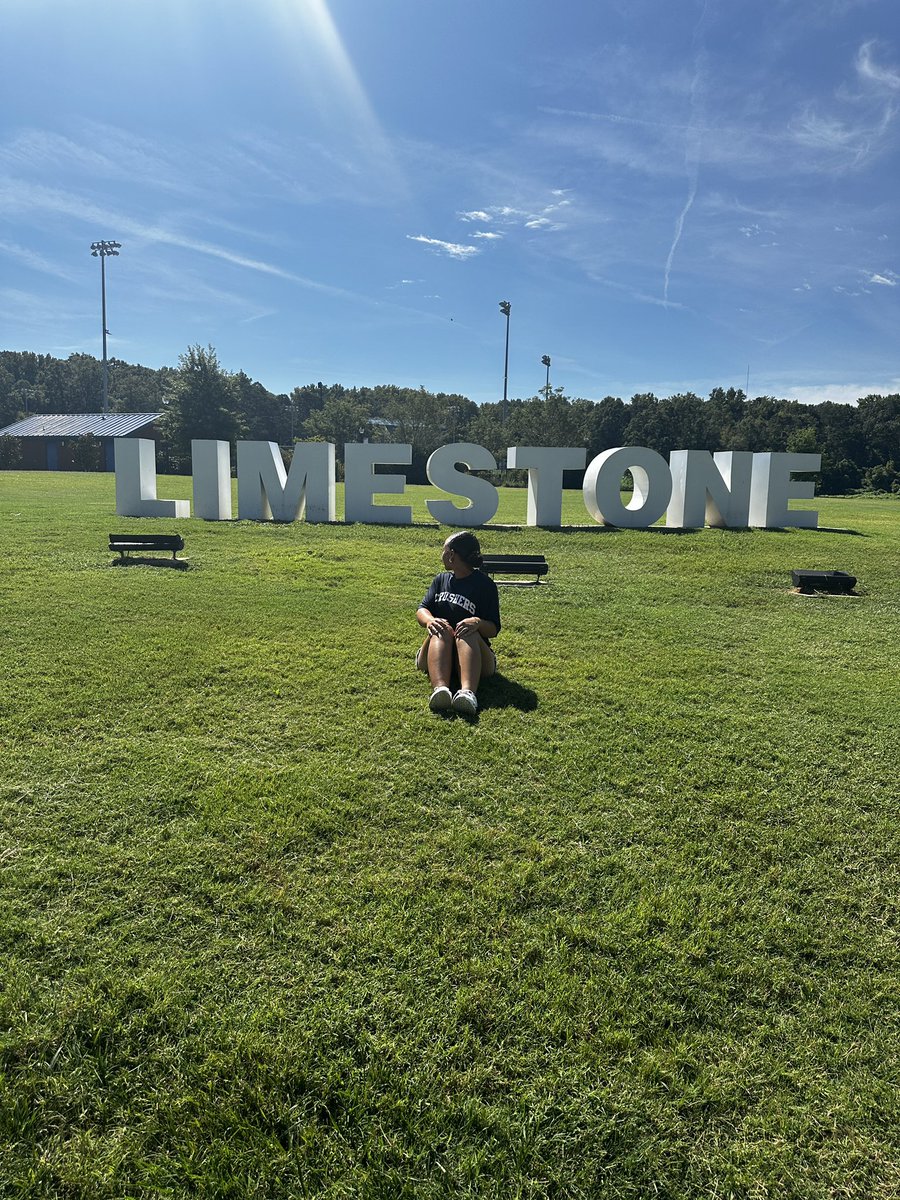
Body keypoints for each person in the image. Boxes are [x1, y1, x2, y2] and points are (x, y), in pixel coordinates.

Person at [416, 531, 500, 715]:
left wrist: (477, 622)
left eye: (444, 550)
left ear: (452, 555)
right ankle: (441, 690)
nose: (442, 555)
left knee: (465, 629)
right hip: (438, 650)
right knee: (442, 628)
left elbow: (493, 629)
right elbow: (422, 609)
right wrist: (430, 621)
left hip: (477, 658)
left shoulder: (485, 585)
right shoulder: (441, 580)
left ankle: (468, 694)